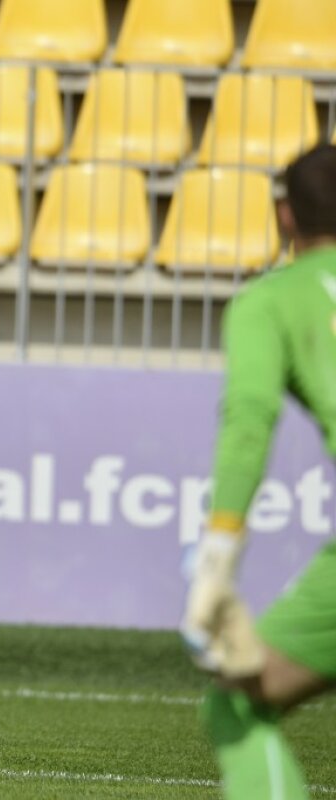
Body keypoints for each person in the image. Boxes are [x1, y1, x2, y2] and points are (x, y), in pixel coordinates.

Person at [181, 143, 336, 799]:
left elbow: (249, 422)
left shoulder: (271, 302)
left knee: (241, 702)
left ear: (284, 215)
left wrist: (219, 555)